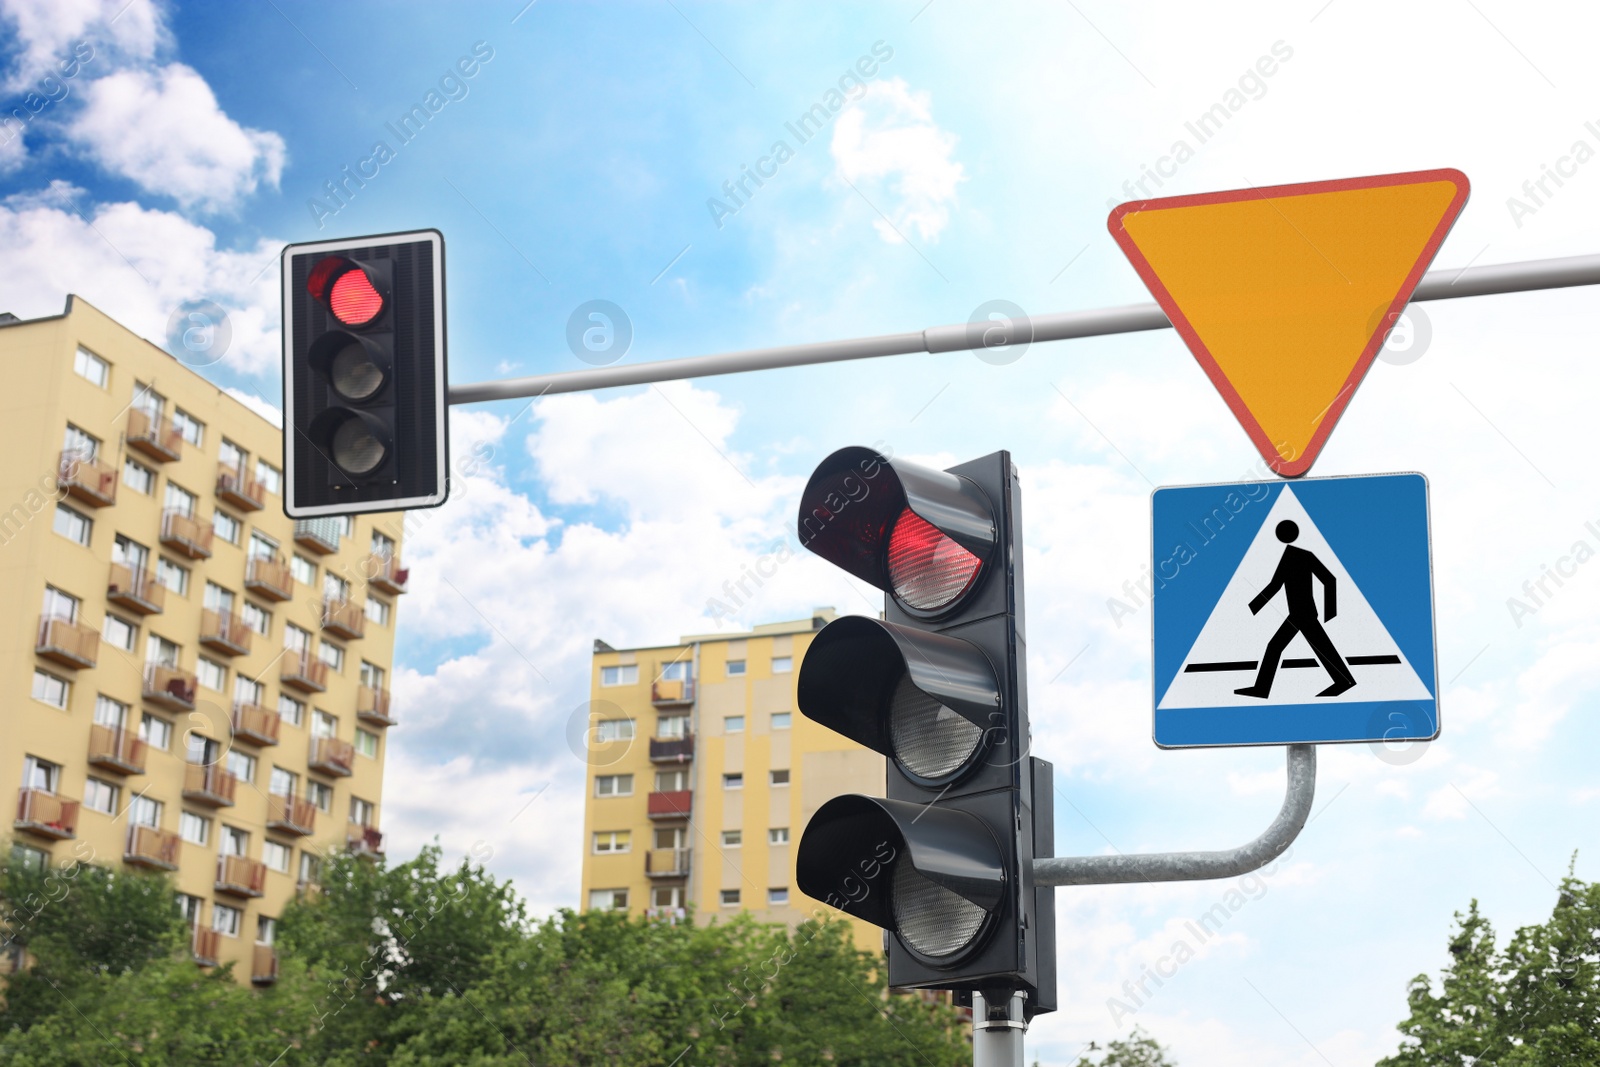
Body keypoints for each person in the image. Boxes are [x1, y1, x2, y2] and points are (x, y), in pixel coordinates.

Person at [1234, 519, 1356, 699]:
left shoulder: (1293, 556)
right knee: (1317, 646)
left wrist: (1330, 613)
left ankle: (1262, 688)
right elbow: (1277, 585)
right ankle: (1344, 680)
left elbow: (1328, 580)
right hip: (1301, 612)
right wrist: (1253, 607)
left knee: (1278, 646)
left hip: (1302, 612)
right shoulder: (1299, 555)